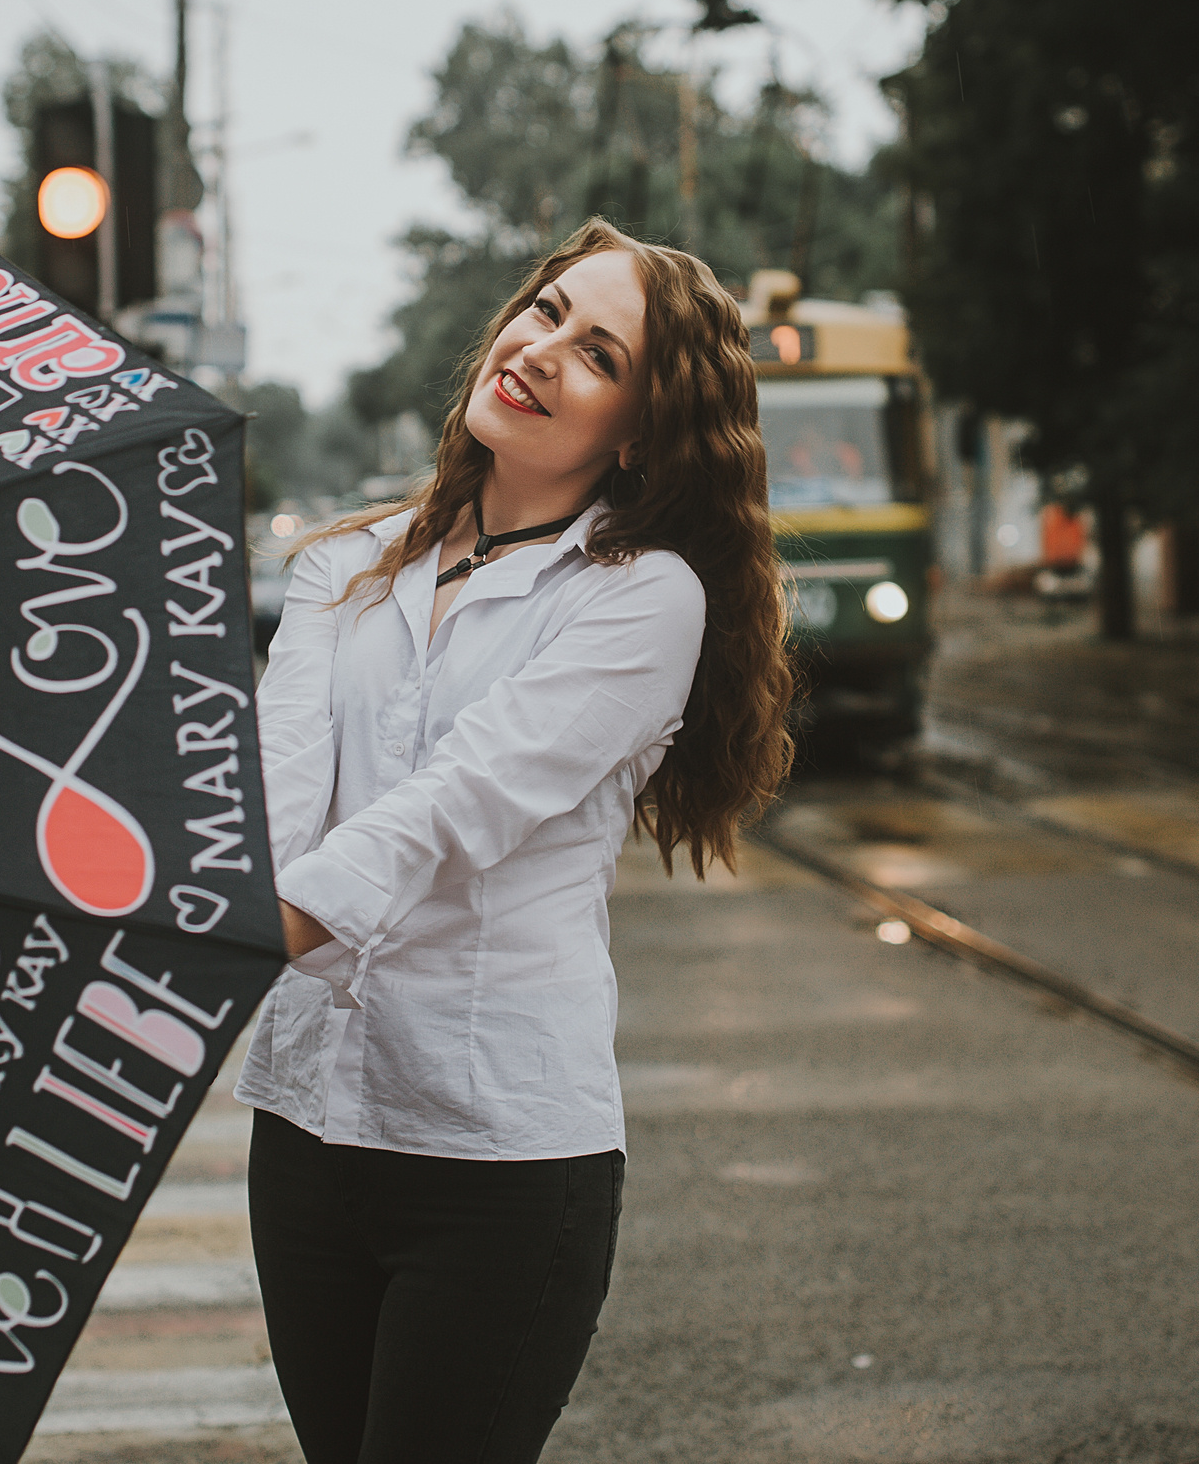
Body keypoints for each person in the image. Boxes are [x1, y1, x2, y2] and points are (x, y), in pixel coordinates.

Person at [237, 218, 796, 1463]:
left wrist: (246, 931)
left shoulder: (641, 594)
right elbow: (276, 797)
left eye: (597, 352)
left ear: (640, 430)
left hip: (495, 1157)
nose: (541, 350)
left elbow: (457, 804)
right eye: (543, 311)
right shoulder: (342, 569)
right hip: (307, 1133)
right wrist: (211, 910)